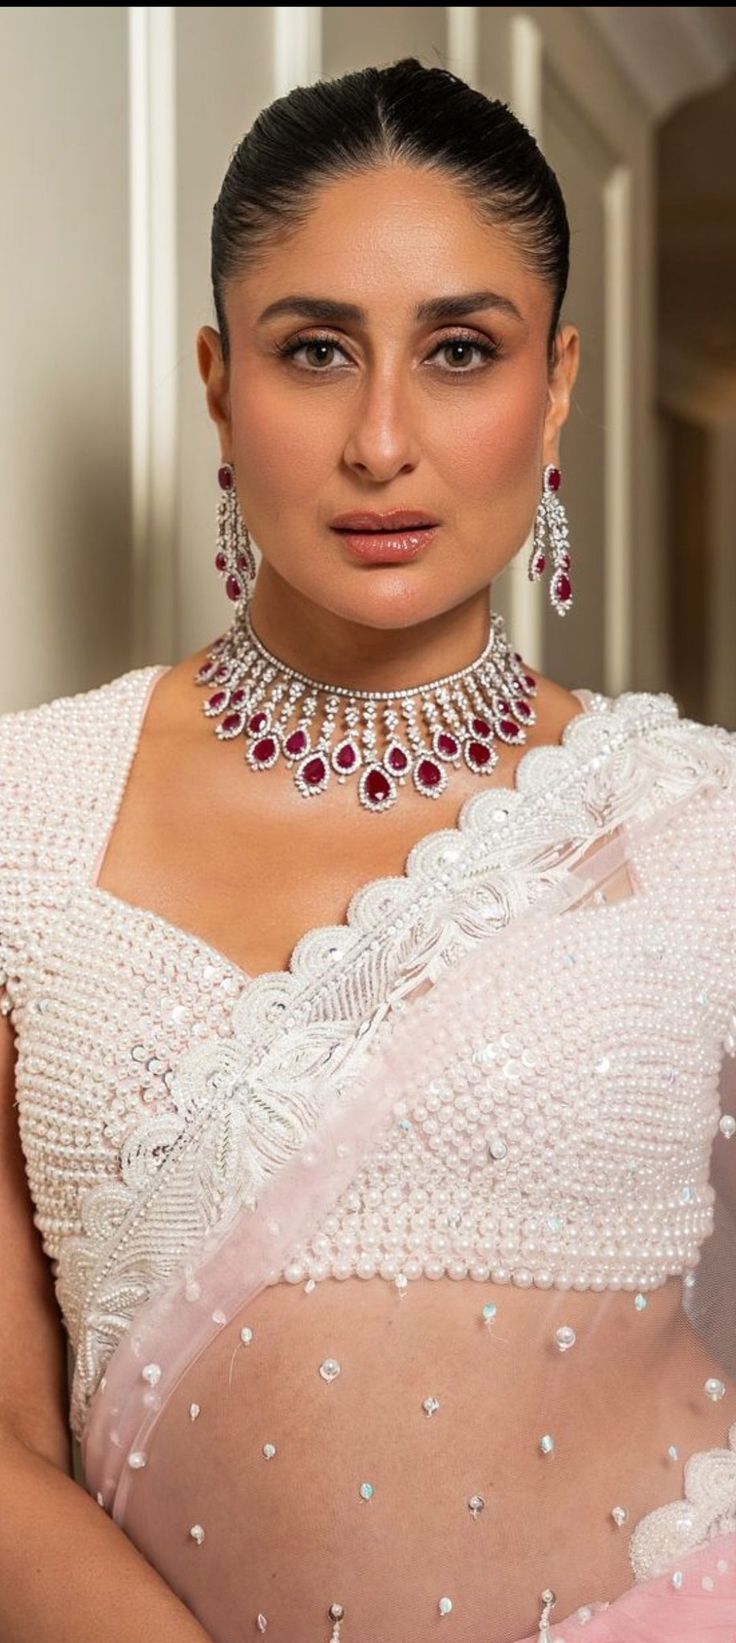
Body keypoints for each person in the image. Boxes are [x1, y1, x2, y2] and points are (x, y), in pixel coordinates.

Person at [1, 55, 736, 1643]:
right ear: (218, 382)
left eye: (461, 352)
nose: (382, 438)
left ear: (555, 386)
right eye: (316, 351)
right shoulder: (24, 813)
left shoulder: (700, 821)